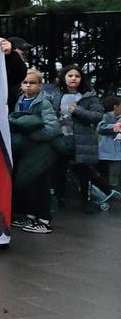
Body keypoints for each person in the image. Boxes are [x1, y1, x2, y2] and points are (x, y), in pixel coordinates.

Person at [9, 69, 60, 234]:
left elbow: (52, 128)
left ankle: (44, 220)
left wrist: (32, 136)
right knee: (27, 183)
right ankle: (30, 215)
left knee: (41, 185)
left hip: (42, 150)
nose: (28, 85)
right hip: (28, 151)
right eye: (25, 82)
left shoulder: (44, 103)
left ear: (39, 86)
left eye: (32, 83)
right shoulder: (20, 100)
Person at [57, 66, 111, 212]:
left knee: (84, 172)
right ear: (64, 77)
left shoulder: (89, 96)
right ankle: (60, 202)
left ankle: (85, 202)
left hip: (82, 140)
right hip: (61, 139)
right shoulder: (57, 95)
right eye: (70, 75)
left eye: (77, 76)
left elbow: (97, 116)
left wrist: (77, 110)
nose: (73, 78)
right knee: (59, 171)